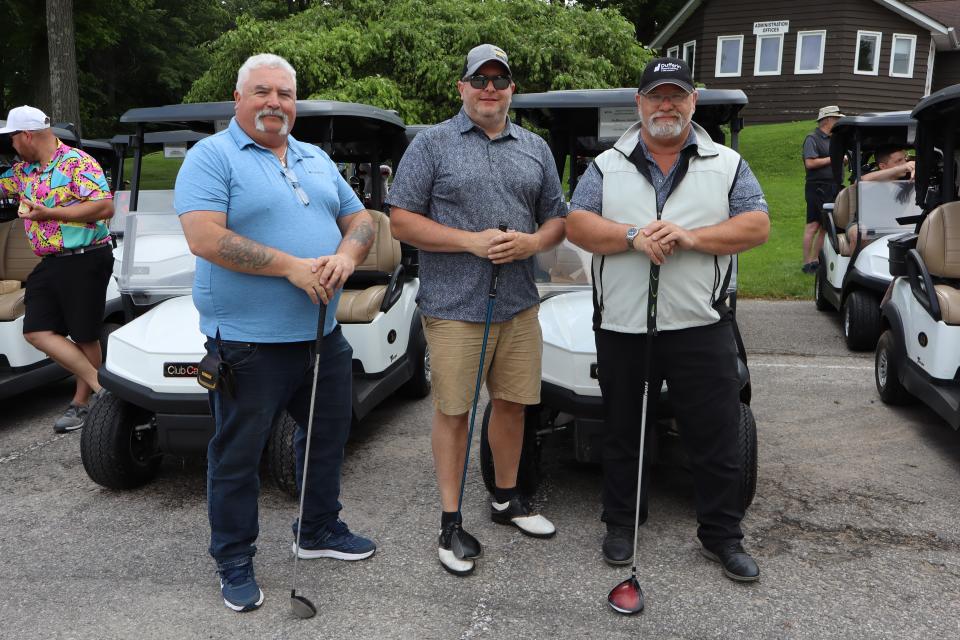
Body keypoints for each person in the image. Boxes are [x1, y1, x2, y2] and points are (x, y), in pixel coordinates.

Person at [174, 53, 377, 613]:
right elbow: (205, 239)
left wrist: (344, 255)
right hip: (247, 344)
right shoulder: (211, 158)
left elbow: (359, 218)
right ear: (238, 99)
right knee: (237, 455)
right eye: (262, 92)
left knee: (329, 437)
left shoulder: (314, 156)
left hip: (321, 336)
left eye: (285, 94)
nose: (274, 104)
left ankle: (316, 530)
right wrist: (291, 266)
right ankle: (233, 559)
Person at [565, 57, 770, 582]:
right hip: (623, 325)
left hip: (700, 324)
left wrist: (692, 237)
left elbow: (757, 225)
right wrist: (635, 236)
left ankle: (722, 535)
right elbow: (579, 225)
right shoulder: (607, 164)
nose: (666, 105)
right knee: (622, 432)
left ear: (692, 102)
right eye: (656, 95)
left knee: (715, 435)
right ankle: (621, 523)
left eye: (676, 95)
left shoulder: (727, 163)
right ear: (639, 104)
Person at [387, 44, 567, 577]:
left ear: (511, 90)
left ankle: (506, 499)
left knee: (512, 405)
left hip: (517, 305)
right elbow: (400, 220)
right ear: (462, 87)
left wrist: (534, 245)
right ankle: (449, 521)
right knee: (454, 410)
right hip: (454, 308)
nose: (490, 88)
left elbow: (557, 219)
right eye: (479, 80)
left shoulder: (534, 147)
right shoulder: (431, 145)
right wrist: (469, 242)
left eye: (500, 80)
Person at [0, 106, 114, 432]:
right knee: (35, 330)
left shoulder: (77, 163)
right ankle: (100, 386)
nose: (11, 146)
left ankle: (81, 404)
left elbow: (105, 205)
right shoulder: (24, 172)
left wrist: (49, 213)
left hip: (86, 255)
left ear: (27, 135)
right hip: (51, 261)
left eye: (12, 138)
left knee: (84, 334)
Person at [802, 105, 844, 274]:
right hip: (817, 187)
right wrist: (835, 159)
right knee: (813, 225)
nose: (839, 121)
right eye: (837, 118)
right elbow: (810, 163)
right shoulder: (812, 138)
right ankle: (807, 263)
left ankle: (816, 260)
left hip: (834, 186)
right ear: (827, 119)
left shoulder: (835, 138)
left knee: (826, 226)